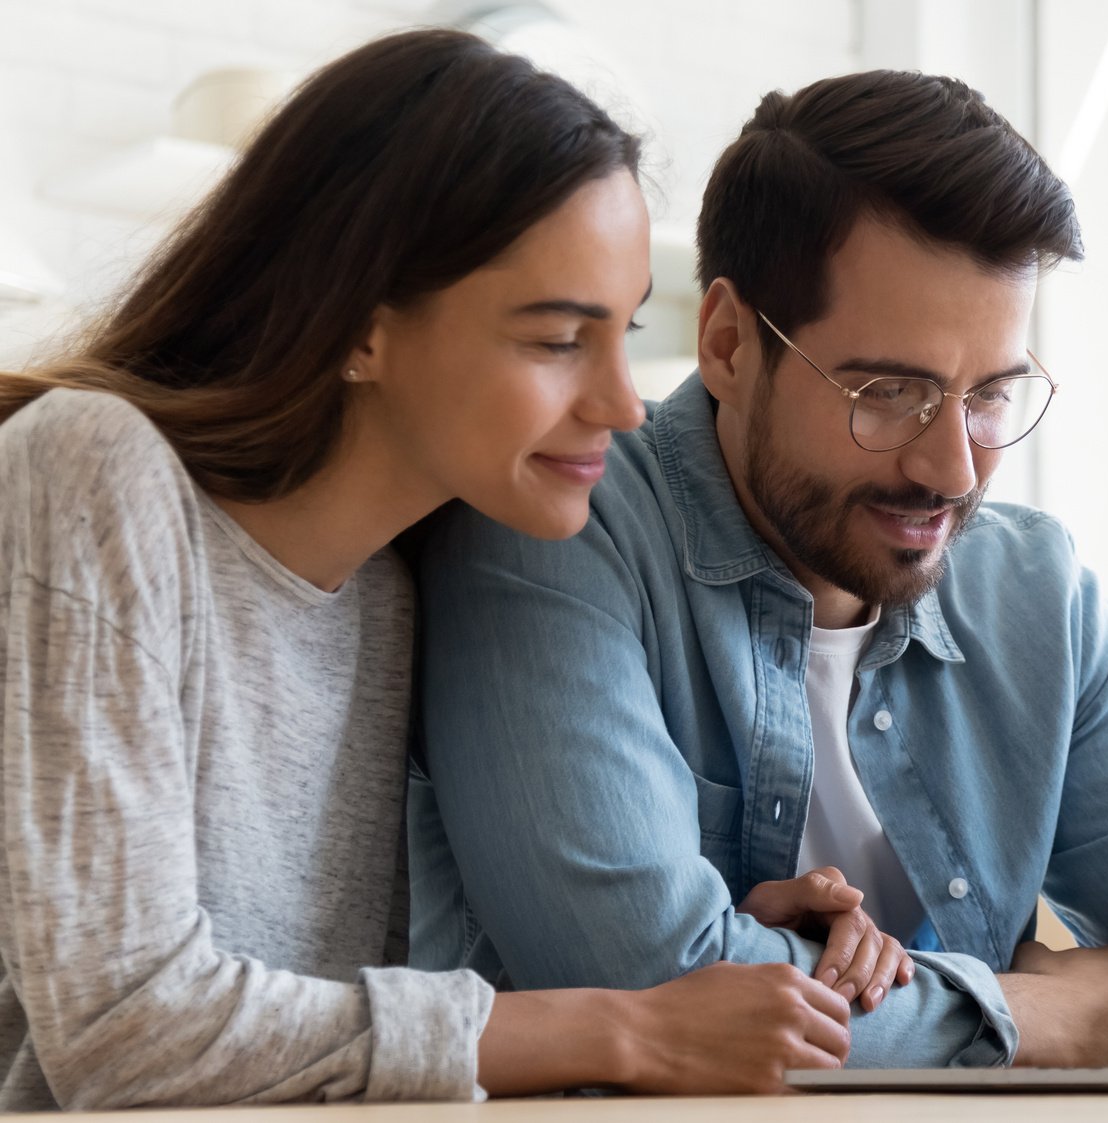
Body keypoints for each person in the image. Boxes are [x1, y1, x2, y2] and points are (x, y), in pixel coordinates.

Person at [0, 30, 915, 1111]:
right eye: (554, 339)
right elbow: (128, 1034)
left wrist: (736, 939)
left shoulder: (385, 596)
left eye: (620, 332)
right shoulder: (93, 471)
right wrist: (625, 1025)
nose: (625, 404)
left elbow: (332, 1031)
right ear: (360, 326)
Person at [411, 69, 1108, 1069]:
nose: (951, 467)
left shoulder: (1033, 589)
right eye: (889, 391)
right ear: (729, 342)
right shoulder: (555, 529)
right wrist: (1036, 1016)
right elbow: (646, 976)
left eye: (990, 395)